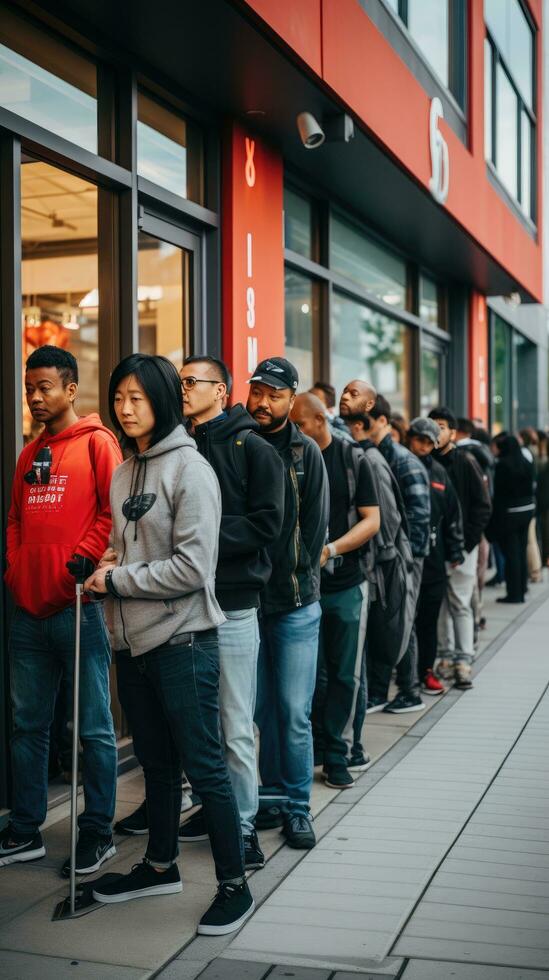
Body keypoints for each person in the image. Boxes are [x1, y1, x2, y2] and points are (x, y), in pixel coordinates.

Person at [85, 353, 254, 937]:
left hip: (183, 641)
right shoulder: (123, 470)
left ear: (161, 398)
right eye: (119, 398)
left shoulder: (192, 470)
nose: (125, 408)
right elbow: (132, 546)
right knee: (156, 766)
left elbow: (192, 567)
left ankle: (235, 884)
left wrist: (118, 579)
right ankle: (159, 866)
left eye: (137, 397)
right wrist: (110, 560)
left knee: (205, 766)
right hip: (130, 643)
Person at [1, 345, 120, 875]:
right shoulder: (29, 454)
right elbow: (15, 521)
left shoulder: (98, 443)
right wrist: (15, 569)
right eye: (30, 388)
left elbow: (111, 513)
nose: (35, 397)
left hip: (80, 607)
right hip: (29, 612)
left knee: (93, 729)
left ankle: (98, 832)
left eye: (45, 387)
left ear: (71, 389)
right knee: (29, 726)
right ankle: (26, 829)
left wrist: (81, 560)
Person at [177, 354, 284, 869]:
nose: (182, 389)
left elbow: (269, 525)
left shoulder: (254, 448)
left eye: (192, 382)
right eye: (179, 381)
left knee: (236, 723)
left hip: (235, 605)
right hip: (180, 603)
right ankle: (214, 809)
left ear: (220, 391)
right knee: (196, 723)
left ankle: (243, 828)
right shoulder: (176, 446)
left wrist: (201, 541)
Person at [247, 357, 329, 850]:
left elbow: (315, 528)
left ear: (291, 400)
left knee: (294, 711)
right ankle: (271, 797)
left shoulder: (307, 453)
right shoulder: (239, 444)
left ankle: (298, 808)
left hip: (297, 602)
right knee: (259, 711)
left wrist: (295, 576)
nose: (263, 402)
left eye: (275, 395)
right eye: (258, 391)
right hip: (247, 604)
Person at [290, 393, 380, 789]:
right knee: (311, 675)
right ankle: (315, 749)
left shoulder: (352, 457)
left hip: (346, 583)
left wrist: (331, 549)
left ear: (319, 421)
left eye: (301, 425)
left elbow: (372, 520)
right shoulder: (291, 456)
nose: (296, 432)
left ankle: (339, 754)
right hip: (302, 588)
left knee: (345, 674)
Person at [367, 395, 431, 713]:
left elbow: (420, 515)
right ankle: (380, 691)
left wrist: (410, 559)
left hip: (404, 558)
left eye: (365, 421)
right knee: (388, 621)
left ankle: (410, 690)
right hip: (388, 557)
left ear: (382, 422)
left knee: (403, 621)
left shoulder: (404, 461)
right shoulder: (376, 455)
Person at [428, 407, 491, 689]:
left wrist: (464, 544)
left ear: (453, 432)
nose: (436, 431)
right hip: (435, 547)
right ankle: (444, 657)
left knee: (460, 603)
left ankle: (463, 661)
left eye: (441, 426)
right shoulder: (425, 461)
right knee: (440, 603)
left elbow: (482, 506)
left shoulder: (465, 462)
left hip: (463, 547)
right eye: (432, 425)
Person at [407, 418, 464, 695]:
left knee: (428, 620)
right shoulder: (398, 465)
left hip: (434, 558)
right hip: (405, 558)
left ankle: (425, 671)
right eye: (419, 439)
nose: (423, 446)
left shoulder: (440, 474)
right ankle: (405, 675)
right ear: (410, 438)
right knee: (405, 619)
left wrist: (455, 549)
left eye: (429, 442)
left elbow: (453, 516)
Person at [455, 418, 494, 643]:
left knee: (463, 591)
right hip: (474, 530)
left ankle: (463, 649)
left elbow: (481, 504)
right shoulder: (483, 454)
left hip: (466, 532)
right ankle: (478, 618)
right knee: (472, 580)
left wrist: (468, 540)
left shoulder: (464, 458)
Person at [488, 434, 535, 604]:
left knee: (511, 554)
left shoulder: (503, 466)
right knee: (521, 552)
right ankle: (522, 588)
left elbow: (499, 496)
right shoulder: (526, 463)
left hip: (510, 513)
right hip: (527, 509)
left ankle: (514, 593)